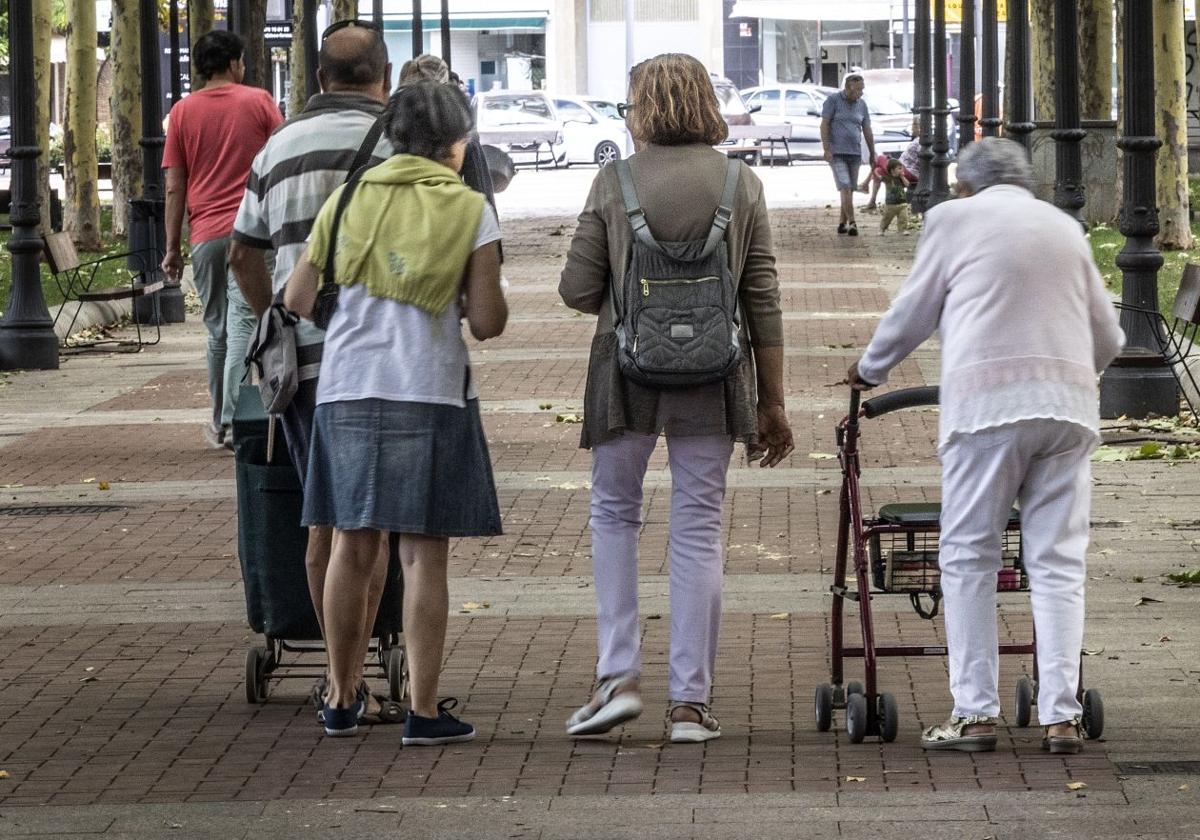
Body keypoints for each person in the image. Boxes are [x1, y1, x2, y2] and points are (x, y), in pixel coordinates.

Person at [847, 138, 1124, 754]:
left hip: (988, 410)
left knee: (969, 555)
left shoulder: (951, 218)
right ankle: (1060, 715)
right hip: (1068, 410)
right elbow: (1108, 332)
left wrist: (870, 369)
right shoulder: (1064, 226)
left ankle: (975, 716)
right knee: (1056, 562)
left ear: (965, 185)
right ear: (1026, 183)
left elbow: (913, 310)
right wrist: (1075, 375)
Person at [559, 53, 793, 744]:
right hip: (715, 376)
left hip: (624, 373)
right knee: (697, 527)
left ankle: (618, 677)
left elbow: (577, 290)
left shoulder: (615, 181)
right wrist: (772, 403)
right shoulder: (739, 183)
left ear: (642, 108)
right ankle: (690, 703)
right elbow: (764, 298)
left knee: (613, 515)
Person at [284, 81, 507, 740]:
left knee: (351, 545)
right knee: (422, 557)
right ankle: (424, 711)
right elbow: (489, 322)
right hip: (428, 389)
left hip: (347, 385)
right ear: (456, 142)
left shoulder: (348, 198)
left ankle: (342, 695)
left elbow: (298, 296)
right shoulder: (469, 209)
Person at [228, 20, 400, 725]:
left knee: (322, 521)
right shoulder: (399, 146)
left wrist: (282, 318)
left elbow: (242, 253)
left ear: (320, 78)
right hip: (382, 358)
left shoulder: (278, 147)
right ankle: (347, 682)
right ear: (382, 77)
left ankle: (341, 679)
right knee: (373, 527)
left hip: (299, 367)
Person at [161, 30, 283, 449]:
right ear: (233, 63)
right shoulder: (259, 102)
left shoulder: (181, 112)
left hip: (206, 235)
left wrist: (172, 248)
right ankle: (233, 421)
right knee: (245, 325)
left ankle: (220, 420)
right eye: (243, 61)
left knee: (216, 331)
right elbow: (282, 159)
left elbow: (175, 187)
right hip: (253, 233)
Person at [821, 73, 875, 237]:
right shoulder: (833, 101)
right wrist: (827, 148)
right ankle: (852, 222)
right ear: (848, 88)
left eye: (862, 89)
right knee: (845, 185)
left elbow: (867, 129)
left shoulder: (862, 105)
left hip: (855, 153)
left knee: (849, 188)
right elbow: (824, 125)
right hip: (837, 153)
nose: (861, 93)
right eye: (858, 89)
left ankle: (841, 223)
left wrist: (873, 152)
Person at [878, 159, 912, 235]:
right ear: (892, 170)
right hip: (891, 204)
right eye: (899, 168)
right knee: (887, 218)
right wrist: (875, 172)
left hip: (902, 203)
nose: (902, 170)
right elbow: (879, 177)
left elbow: (907, 185)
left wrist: (903, 177)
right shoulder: (888, 178)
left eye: (902, 168)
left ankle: (903, 229)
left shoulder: (901, 178)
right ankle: (882, 228)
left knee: (903, 218)